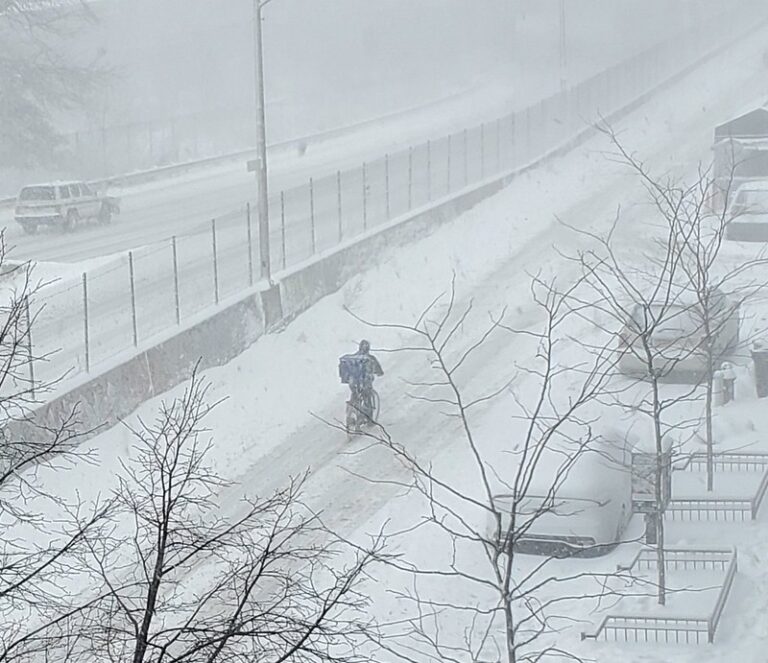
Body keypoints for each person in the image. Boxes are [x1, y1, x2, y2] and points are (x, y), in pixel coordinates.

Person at [341, 339, 383, 423]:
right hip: (365, 382)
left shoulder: (352, 358)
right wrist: (379, 373)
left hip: (353, 381)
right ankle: (369, 418)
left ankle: (351, 412)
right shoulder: (371, 358)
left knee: (355, 394)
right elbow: (379, 371)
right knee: (367, 396)